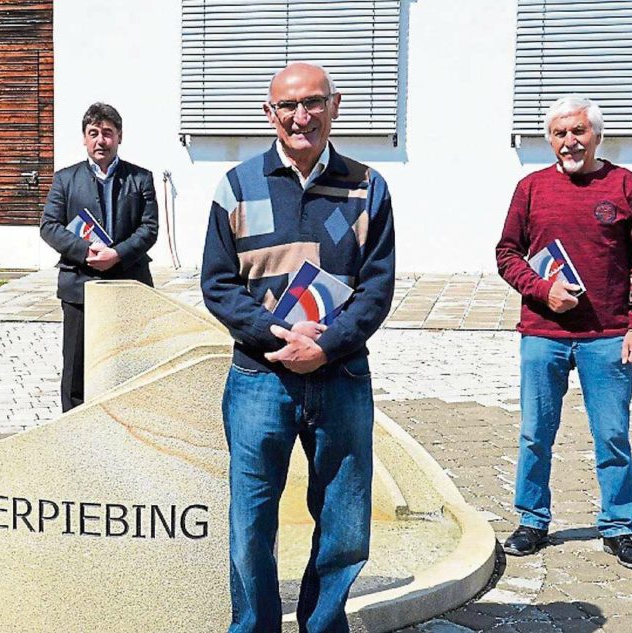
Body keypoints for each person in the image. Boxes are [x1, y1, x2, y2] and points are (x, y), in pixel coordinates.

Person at [201, 62, 395, 633]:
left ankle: (322, 625)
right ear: (270, 113)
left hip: (340, 379)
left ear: (335, 106)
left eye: (313, 103)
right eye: (288, 106)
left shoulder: (368, 187)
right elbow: (217, 284)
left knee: (343, 522)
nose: (300, 116)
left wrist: (327, 346)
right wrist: (276, 336)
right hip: (259, 379)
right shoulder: (237, 186)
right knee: (251, 523)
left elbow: (377, 286)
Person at [496, 95, 632, 570]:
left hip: (608, 335)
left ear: (596, 136)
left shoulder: (626, 185)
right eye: (560, 133)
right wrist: (542, 290)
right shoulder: (530, 188)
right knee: (534, 434)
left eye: (578, 132)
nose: (570, 141)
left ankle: (619, 526)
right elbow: (507, 253)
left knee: (612, 435)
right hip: (543, 333)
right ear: (550, 140)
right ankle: (532, 520)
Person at [40, 102, 159, 411]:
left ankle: (126, 424)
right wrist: (86, 251)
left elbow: (149, 229)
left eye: (107, 133)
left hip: (128, 283)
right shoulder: (65, 179)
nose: (100, 140)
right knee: (76, 368)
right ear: (84, 138)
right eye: (93, 133)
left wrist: (118, 254)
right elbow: (49, 226)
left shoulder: (141, 179)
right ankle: (74, 428)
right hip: (80, 286)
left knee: (129, 362)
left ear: (119, 137)